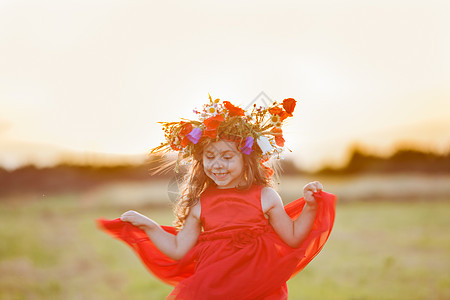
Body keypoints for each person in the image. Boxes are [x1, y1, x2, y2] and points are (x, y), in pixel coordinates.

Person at [97, 95, 336, 300]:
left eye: (227, 157)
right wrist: (148, 225)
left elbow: (293, 237)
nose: (217, 165)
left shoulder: (265, 196)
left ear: (246, 159)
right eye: (210, 156)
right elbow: (179, 248)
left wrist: (311, 206)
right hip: (213, 289)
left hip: (260, 288)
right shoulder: (199, 203)